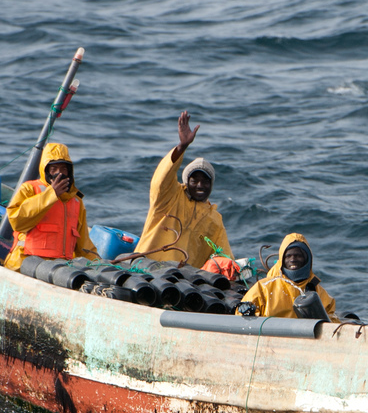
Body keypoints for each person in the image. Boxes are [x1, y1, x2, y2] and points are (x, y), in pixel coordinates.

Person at [136, 111, 233, 268]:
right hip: (145, 267)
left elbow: (223, 256)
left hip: (181, 282)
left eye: (205, 181)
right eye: (194, 180)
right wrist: (182, 146)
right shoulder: (168, 196)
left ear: (211, 185)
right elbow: (161, 179)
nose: (200, 185)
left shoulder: (215, 220)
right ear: (186, 181)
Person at [2, 142, 98, 271]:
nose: (60, 173)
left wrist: (99, 265)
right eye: (54, 169)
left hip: (60, 270)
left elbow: (84, 246)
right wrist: (51, 194)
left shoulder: (76, 201)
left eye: (64, 169)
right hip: (24, 265)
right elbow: (17, 222)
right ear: (45, 170)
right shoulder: (29, 189)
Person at [237, 233, 338, 321]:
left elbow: (332, 321)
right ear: (282, 259)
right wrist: (247, 311)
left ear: (307, 259)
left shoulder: (319, 293)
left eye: (298, 255)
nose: (293, 259)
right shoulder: (264, 287)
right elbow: (240, 314)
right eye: (288, 256)